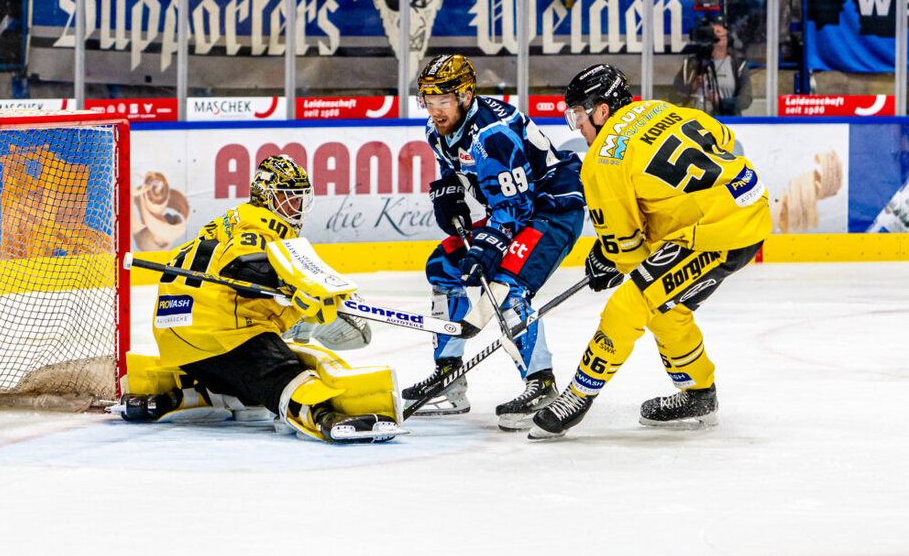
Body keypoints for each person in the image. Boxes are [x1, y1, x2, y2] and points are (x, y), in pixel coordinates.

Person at [527, 64, 772, 440]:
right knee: (663, 302)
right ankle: (698, 393)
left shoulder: (600, 163)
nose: (577, 126)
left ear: (602, 110)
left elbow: (628, 251)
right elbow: (723, 137)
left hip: (716, 232)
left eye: (579, 114)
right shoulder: (662, 108)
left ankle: (577, 396)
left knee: (630, 303)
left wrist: (609, 258)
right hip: (749, 203)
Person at [119, 155, 401, 444]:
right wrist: (295, 293)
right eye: (287, 199)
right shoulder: (261, 228)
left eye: (299, 200)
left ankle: (180, 395)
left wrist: (297, 303)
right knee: (288, 373)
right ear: (265, 197)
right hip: (221, 334)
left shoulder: (229, 220)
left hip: (176, 334)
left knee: (242, 377)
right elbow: (250, 267)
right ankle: (322, 415)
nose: (296, 208)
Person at [402, 55, 585, 431]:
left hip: (553, 209)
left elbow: (516, 207)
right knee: (443, 268)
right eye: (428, 101)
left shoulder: (492, 135)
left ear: (467, 95)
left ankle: (542, 383)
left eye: (443, 102)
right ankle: (449, 376)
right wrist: (448, 194)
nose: (435, 111)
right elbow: (453, 172)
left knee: (507, 285)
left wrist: (487, 247)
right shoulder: (438, 130)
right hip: (517, 208)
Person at [672, 15, 753, 117]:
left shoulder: (738, 66)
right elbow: (673, 96)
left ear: (727, 38)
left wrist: (721, 102)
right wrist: (692, 87)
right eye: (710, 32)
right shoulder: (692, 63)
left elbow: (745, 100)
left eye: (718, 32)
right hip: (694, 121)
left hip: (727, 121)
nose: (712, 36)